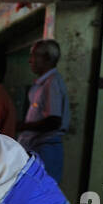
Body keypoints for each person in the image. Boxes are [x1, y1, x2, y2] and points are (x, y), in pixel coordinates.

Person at [17, 39, 71, 183]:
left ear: (47, 58)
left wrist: (23, 126)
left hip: (45, 148)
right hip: (38, 147)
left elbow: (53, 121)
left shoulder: (51, 83)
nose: (30, 61)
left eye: (34, 56)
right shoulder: (44, 82)